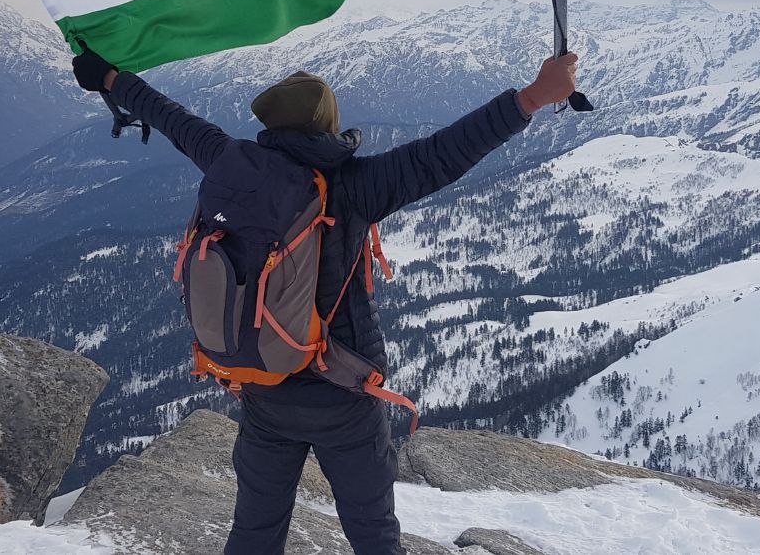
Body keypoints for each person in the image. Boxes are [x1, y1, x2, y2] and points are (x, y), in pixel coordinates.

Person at [72, 45, 580, 555]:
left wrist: (110, 79)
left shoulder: (227, 161)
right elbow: (444, 153)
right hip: (342, 394)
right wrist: (532, 98)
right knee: (372, 530)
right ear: (327, 125)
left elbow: (171, 118)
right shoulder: (356, 185)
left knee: (255, 529)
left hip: (264, 387)